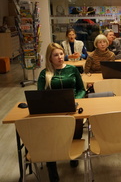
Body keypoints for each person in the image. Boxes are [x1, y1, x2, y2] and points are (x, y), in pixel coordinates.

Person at [37, 43, 86, 182]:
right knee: (51, 135)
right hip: (53, 109)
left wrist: (77, 99)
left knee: (76, 126)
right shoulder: (44, 73)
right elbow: (40, 94)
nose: (59, 57)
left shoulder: (72, 69)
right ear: (50, 58)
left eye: (61, 54)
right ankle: (51, 166)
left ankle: (73, 154)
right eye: (55, 55)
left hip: (73, 106)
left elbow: (82, 89)